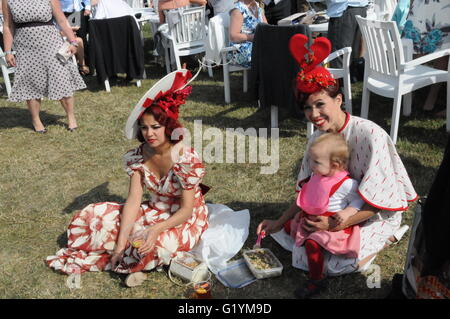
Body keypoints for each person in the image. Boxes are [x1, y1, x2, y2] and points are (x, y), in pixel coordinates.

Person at [257, 34, 417, 298]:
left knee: (336, 265)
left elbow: (379, 199)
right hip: (331, 210)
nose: (314, 114)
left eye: (320, 104)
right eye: (307, 108)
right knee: (301, 242)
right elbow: (308, 191)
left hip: (369, 212)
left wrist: (333, 225)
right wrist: (280, 220)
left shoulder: (370, 134)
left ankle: (388, 237)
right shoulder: (316, 139)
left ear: (339, 100)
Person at [46, 70, 210, 288]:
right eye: (144, 128)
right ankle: (121, 254)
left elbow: (187, 209)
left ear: (168, 126)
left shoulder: (185, 157)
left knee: (154, 244)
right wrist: (121, 243)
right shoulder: (137, 157)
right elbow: (133, 200)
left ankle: (133, 259)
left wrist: (156, 229)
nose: (149, 133)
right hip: (153, 209)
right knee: (93, 216)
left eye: (155, 127)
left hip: (183, 218)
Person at [289, 132, 365, 297]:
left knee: (312, 243)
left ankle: (316, 279)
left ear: (336, 165)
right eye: (310, 159)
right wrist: (300, 213)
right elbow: (311, 196)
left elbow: (359, 200)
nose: (310, 164)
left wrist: (347, 213)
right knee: (290, 227)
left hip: (332, 225)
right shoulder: (316, 175)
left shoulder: (346, 184)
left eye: (316, 161)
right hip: (310, 219)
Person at [2, 0, 86, 133]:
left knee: (61, 78)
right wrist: (7, 51)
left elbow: (61, 20)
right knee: (31, 83)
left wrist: (73, 42)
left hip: (51, 43)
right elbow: (7, 26)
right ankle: (36, 120)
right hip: (25, 46)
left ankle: (71, 117)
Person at [401, 0, 450, 115]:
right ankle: (410, 91)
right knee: (416, 43)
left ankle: (431, 97)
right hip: (422, 3)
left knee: (443, 48)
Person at [308, 0, 368, 69]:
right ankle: (350, 79)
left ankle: (341, 79)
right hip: (359, 8)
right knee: (352, 56)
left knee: (339, 56)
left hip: (344, 10)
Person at [228, 0, 267, 68]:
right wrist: (253, 37)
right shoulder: (238, 10)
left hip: (256, 44)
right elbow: (233, 36)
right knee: (269, 51)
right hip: (241, 49)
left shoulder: (257, 5)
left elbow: (266, 28)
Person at [59, 0, 91, 75]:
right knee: (68, 38)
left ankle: (85, 65)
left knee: (81, 37)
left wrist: (88, 7)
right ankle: (74, 66)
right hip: (63, 12)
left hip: (77, 11)